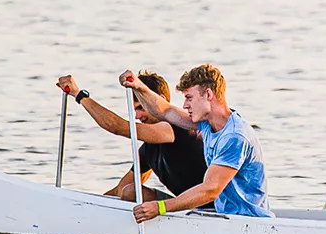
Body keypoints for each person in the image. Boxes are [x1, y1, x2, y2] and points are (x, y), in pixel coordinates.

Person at [131, 63, 269, 222]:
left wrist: (160, 207)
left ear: (208, 94)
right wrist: (138, 87)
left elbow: (210, 190)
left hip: (248, 221)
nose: (184, 105)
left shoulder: (235, 137)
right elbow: (166, 111)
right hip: (226, 217)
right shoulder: (208, 122)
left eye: (189, 98)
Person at [58, 70, 206, 204]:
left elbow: (117, 127)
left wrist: (79, 95)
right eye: (135, 109)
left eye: (141, 108)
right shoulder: (149, 149)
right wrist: (84, 206)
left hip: (216, 209)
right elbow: (120, 190)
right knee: (127, 190)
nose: (137, 116)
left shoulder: (174, 128)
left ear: (159, 100)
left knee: (131, 192)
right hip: (188, 206)